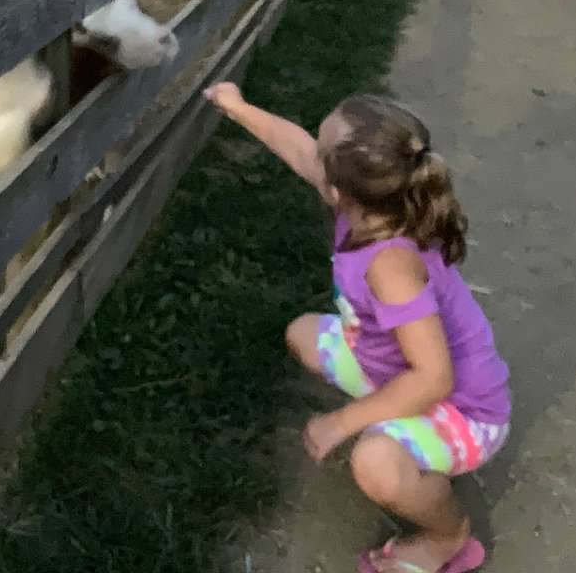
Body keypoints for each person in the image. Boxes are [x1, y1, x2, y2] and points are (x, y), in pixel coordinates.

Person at [203, 84, 511, 573]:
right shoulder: (379, 204)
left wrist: (342, 422)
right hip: (395, 367)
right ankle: (403, 431)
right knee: (304, 334)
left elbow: (435, 379)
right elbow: (299, 149)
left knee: (375, 464)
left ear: (337, 190)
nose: (312, 149)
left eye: (322, 147)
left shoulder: (390, 267)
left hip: (463, 409)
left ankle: (447, 535)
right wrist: (238, 108)